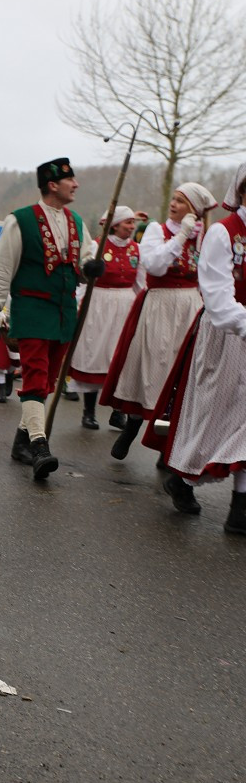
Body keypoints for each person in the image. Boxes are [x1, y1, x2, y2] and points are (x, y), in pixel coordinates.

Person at [0, 158, 100, 479]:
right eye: (70, 180)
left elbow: (85, 261)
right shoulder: (20, 221)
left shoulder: (77, 222)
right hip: (31, 309)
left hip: (63, 312)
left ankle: (21, 441)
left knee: (47, 382)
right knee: (34, 376)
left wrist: (91, 269)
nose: (76, 185)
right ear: (52, 184)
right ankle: (39, 447)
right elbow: (2, 267)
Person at [144, 164, 246, 533]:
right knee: (212, 415)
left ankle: (240, 508)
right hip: (226, 335)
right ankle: (182, 477)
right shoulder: (223, 233)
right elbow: (218, 298)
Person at [100, 182, 216, 460]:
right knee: (153, 366)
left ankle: (167, 446)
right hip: (160, 304)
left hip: (190, 306)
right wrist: (181, 236)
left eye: (180, 201)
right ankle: (133, 425)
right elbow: (153, 265)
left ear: (194, 210)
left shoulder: (206, 237)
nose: (173, 204)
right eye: (173, 199)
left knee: (181, 374)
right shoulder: (156, 230)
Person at [68, 205, 142, 431]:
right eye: (127, 222)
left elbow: (142, 284)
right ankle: (88, 413)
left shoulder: (138, 250)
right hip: (98, 304)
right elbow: (84, 280)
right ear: (115, 224)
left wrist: (143, 308)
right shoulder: (96, 246)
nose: (131, 227)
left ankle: (117, 412)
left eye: (132, 223)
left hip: (125, 304)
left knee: (120, 358)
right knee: (95, 355)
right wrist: (77, 308)